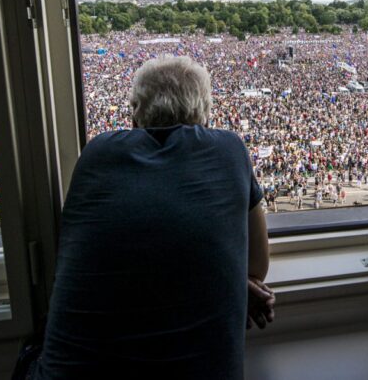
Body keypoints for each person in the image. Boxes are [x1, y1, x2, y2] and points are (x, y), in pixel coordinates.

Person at [32, 56, 273, 379]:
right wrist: (225, 275)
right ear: (205, 113)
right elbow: (257, 266)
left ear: (135, 112)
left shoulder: (97, 154)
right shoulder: (229, 149)